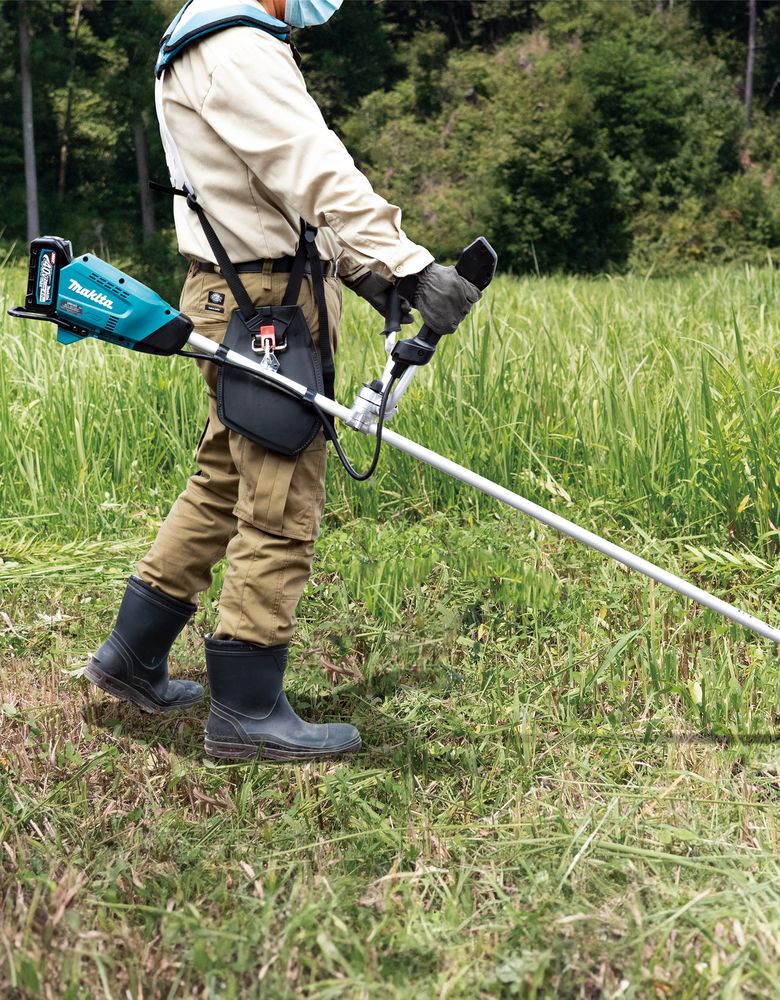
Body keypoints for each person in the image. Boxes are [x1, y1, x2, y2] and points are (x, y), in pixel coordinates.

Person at [82, 0, 481, 760]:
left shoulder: (206, 32)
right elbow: (311, 165)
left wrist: (365, 273)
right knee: (280, 495)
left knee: (225, 479)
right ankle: (247, 710)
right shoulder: (236, 43)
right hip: (265, 300)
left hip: (240, 289)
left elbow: (278, 190)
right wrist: (407, 264)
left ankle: (131, 656)